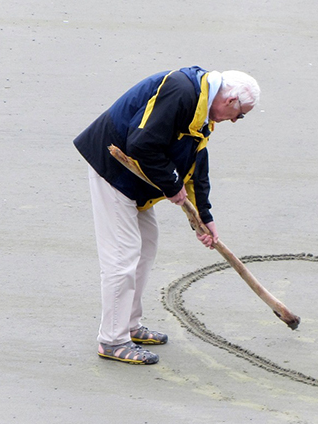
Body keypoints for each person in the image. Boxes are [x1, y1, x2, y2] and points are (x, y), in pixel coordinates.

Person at [73, 67, 260, 365]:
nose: (235, 121)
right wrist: (172, 186)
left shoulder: (202, 109)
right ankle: (112, 340)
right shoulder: (181, 91)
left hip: (136, 179)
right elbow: (141, 143)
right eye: (240, 115)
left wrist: (203, 218)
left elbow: (196, 163)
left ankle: (129, 325)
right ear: (230, 100)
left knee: (147, 245)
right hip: (112, 170)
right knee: (122, 256)